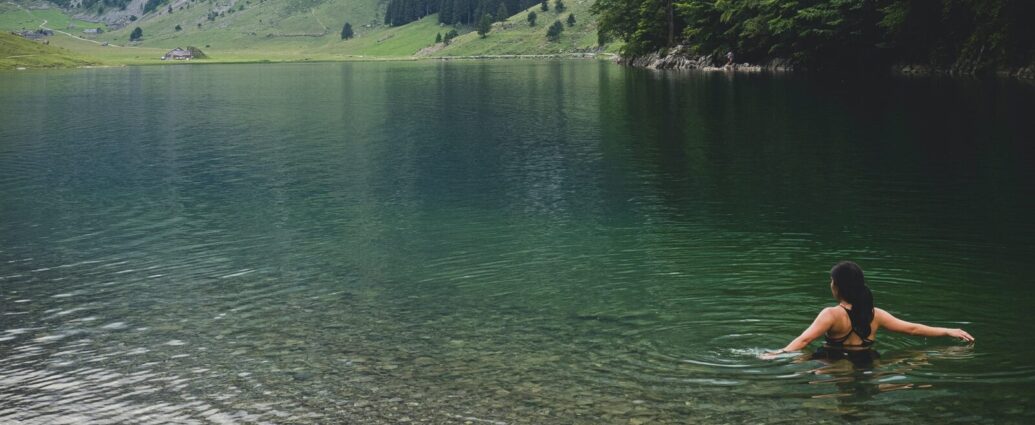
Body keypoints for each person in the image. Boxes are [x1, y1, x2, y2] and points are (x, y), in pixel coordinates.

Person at [766, 261, 973, 360]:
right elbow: (913, 329)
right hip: (868, 361)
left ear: (838, 287)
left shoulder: (831, 314)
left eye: (831, 281)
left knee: (814, 381)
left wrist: (777, 353)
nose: (830, 284)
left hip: (833, 360)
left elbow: (804, 341)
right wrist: (947, 330)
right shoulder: (876, 314)